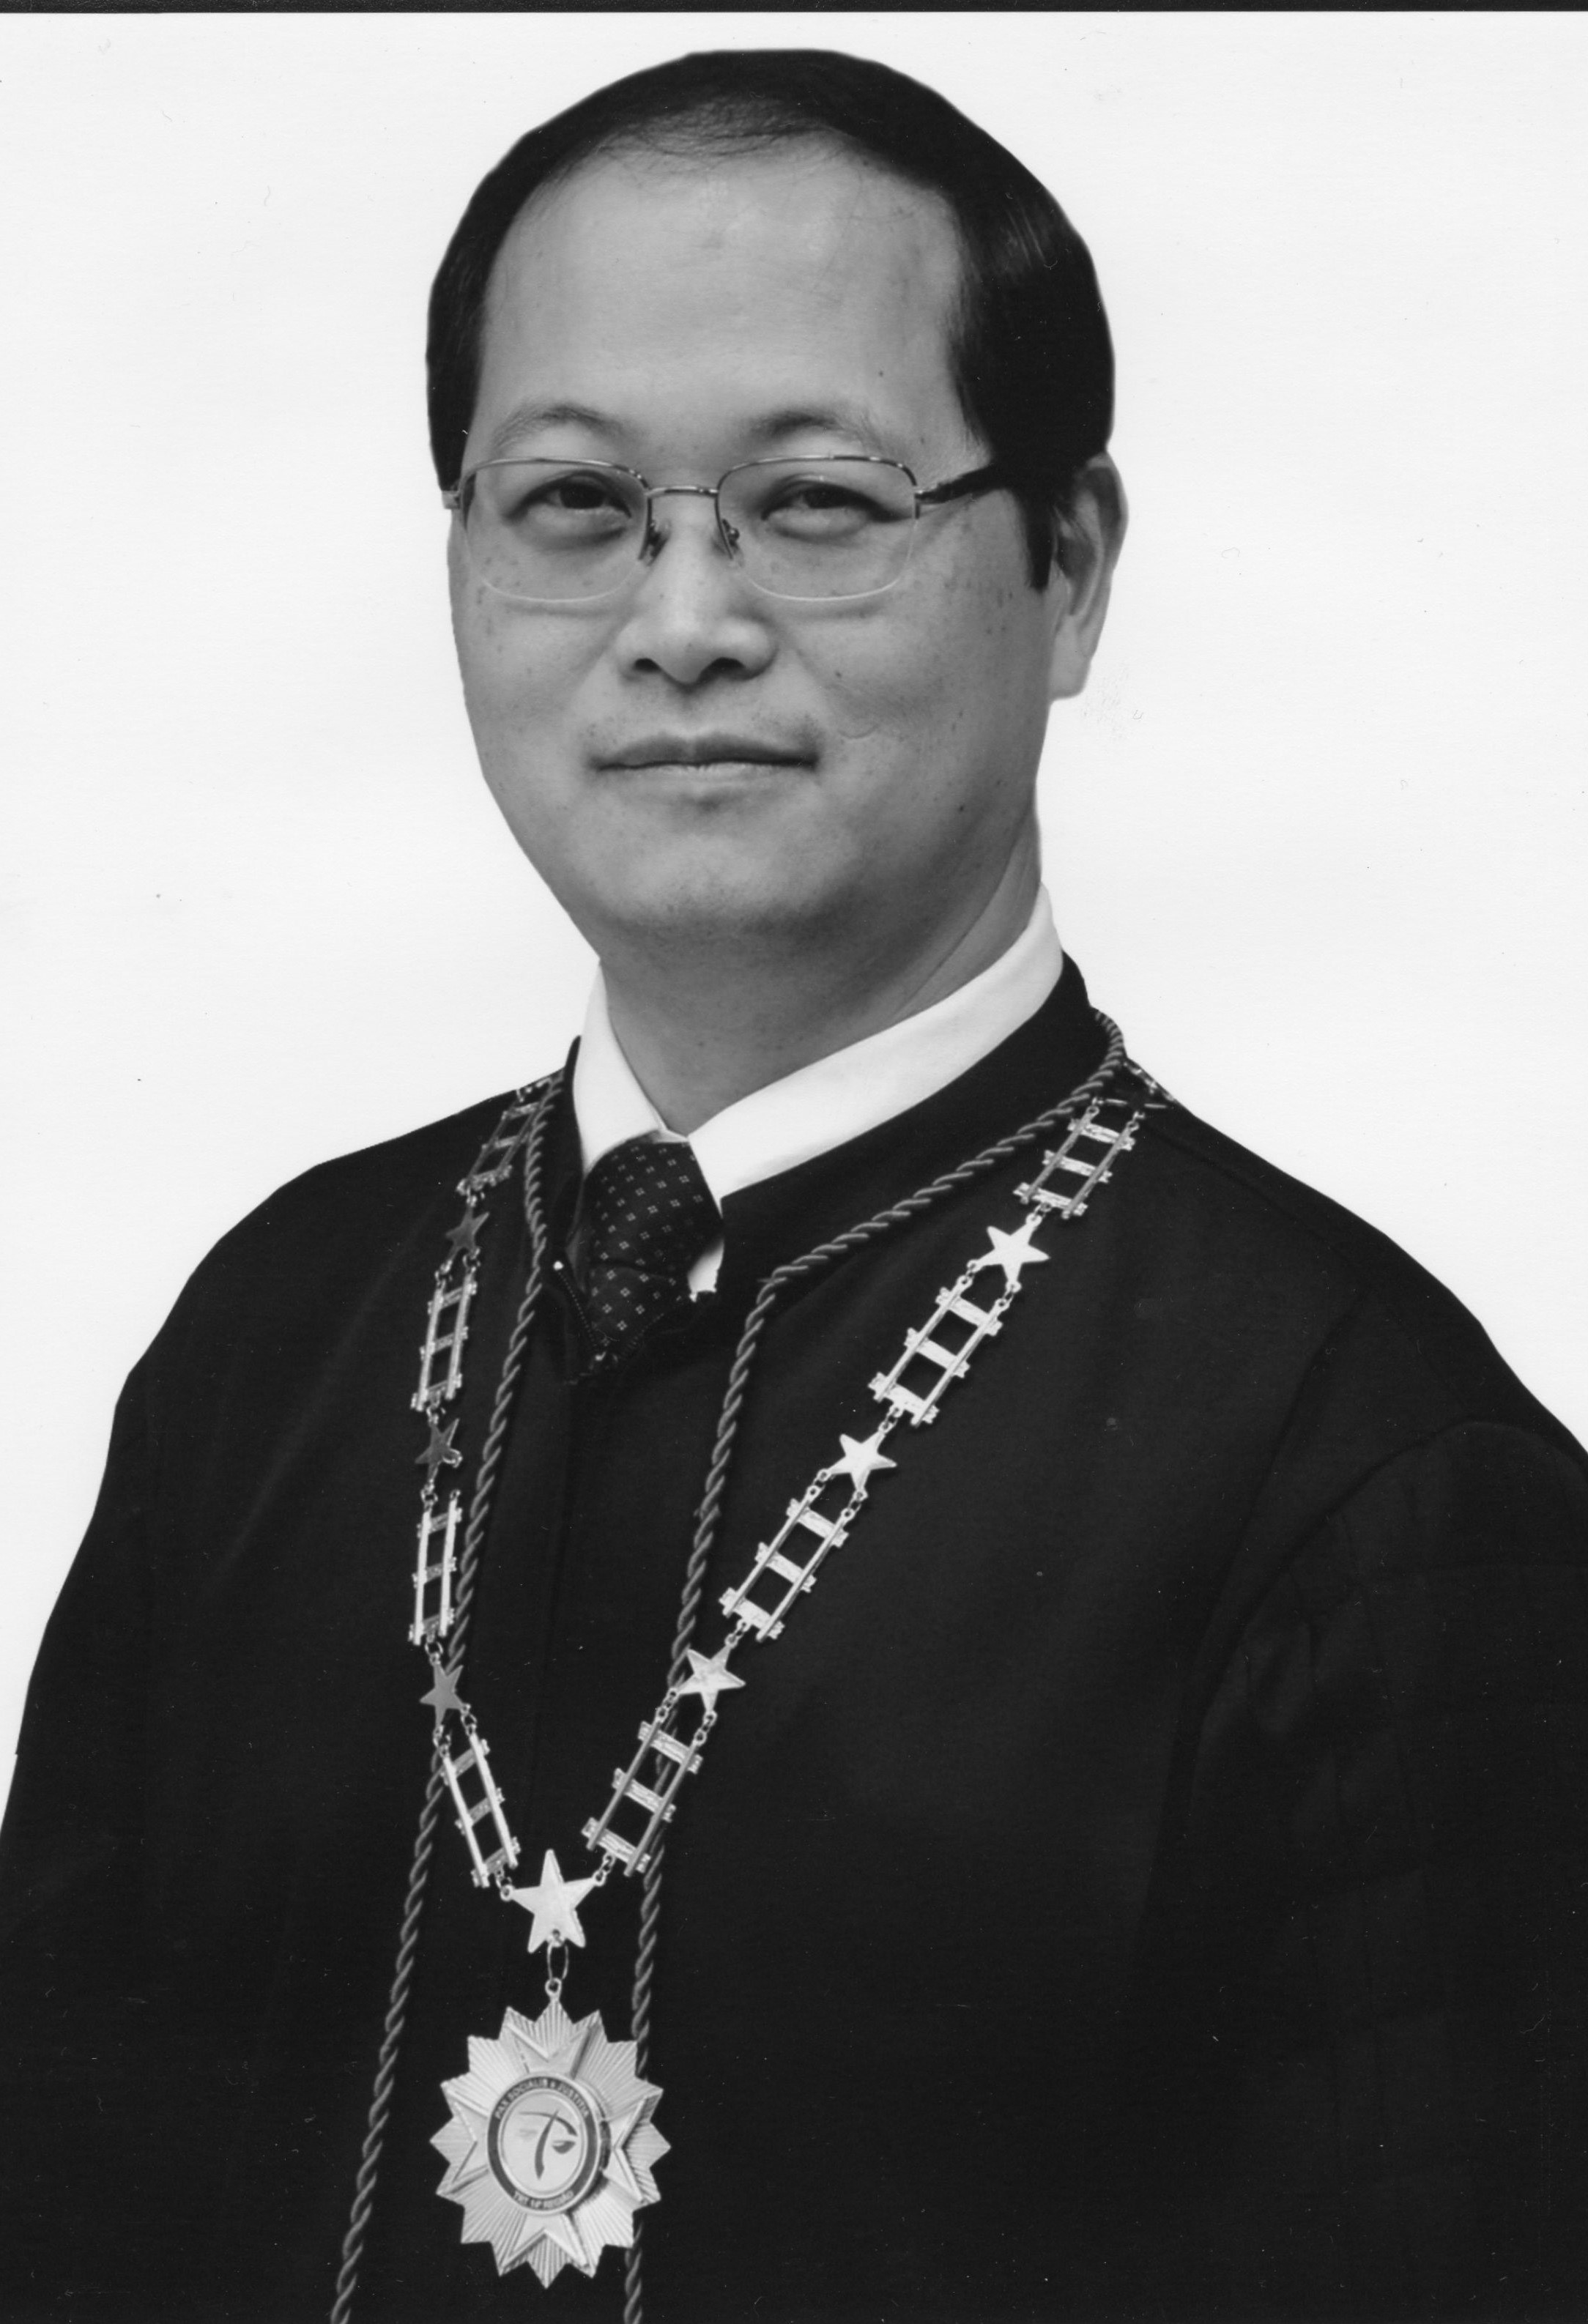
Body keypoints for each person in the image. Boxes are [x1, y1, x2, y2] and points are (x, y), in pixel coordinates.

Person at [1, 44, 1584, 2324]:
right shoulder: (270, 1336)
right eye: (573, 506)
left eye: (819, 504)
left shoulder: (1372, 1470)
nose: (683, 621)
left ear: (1070, 570)